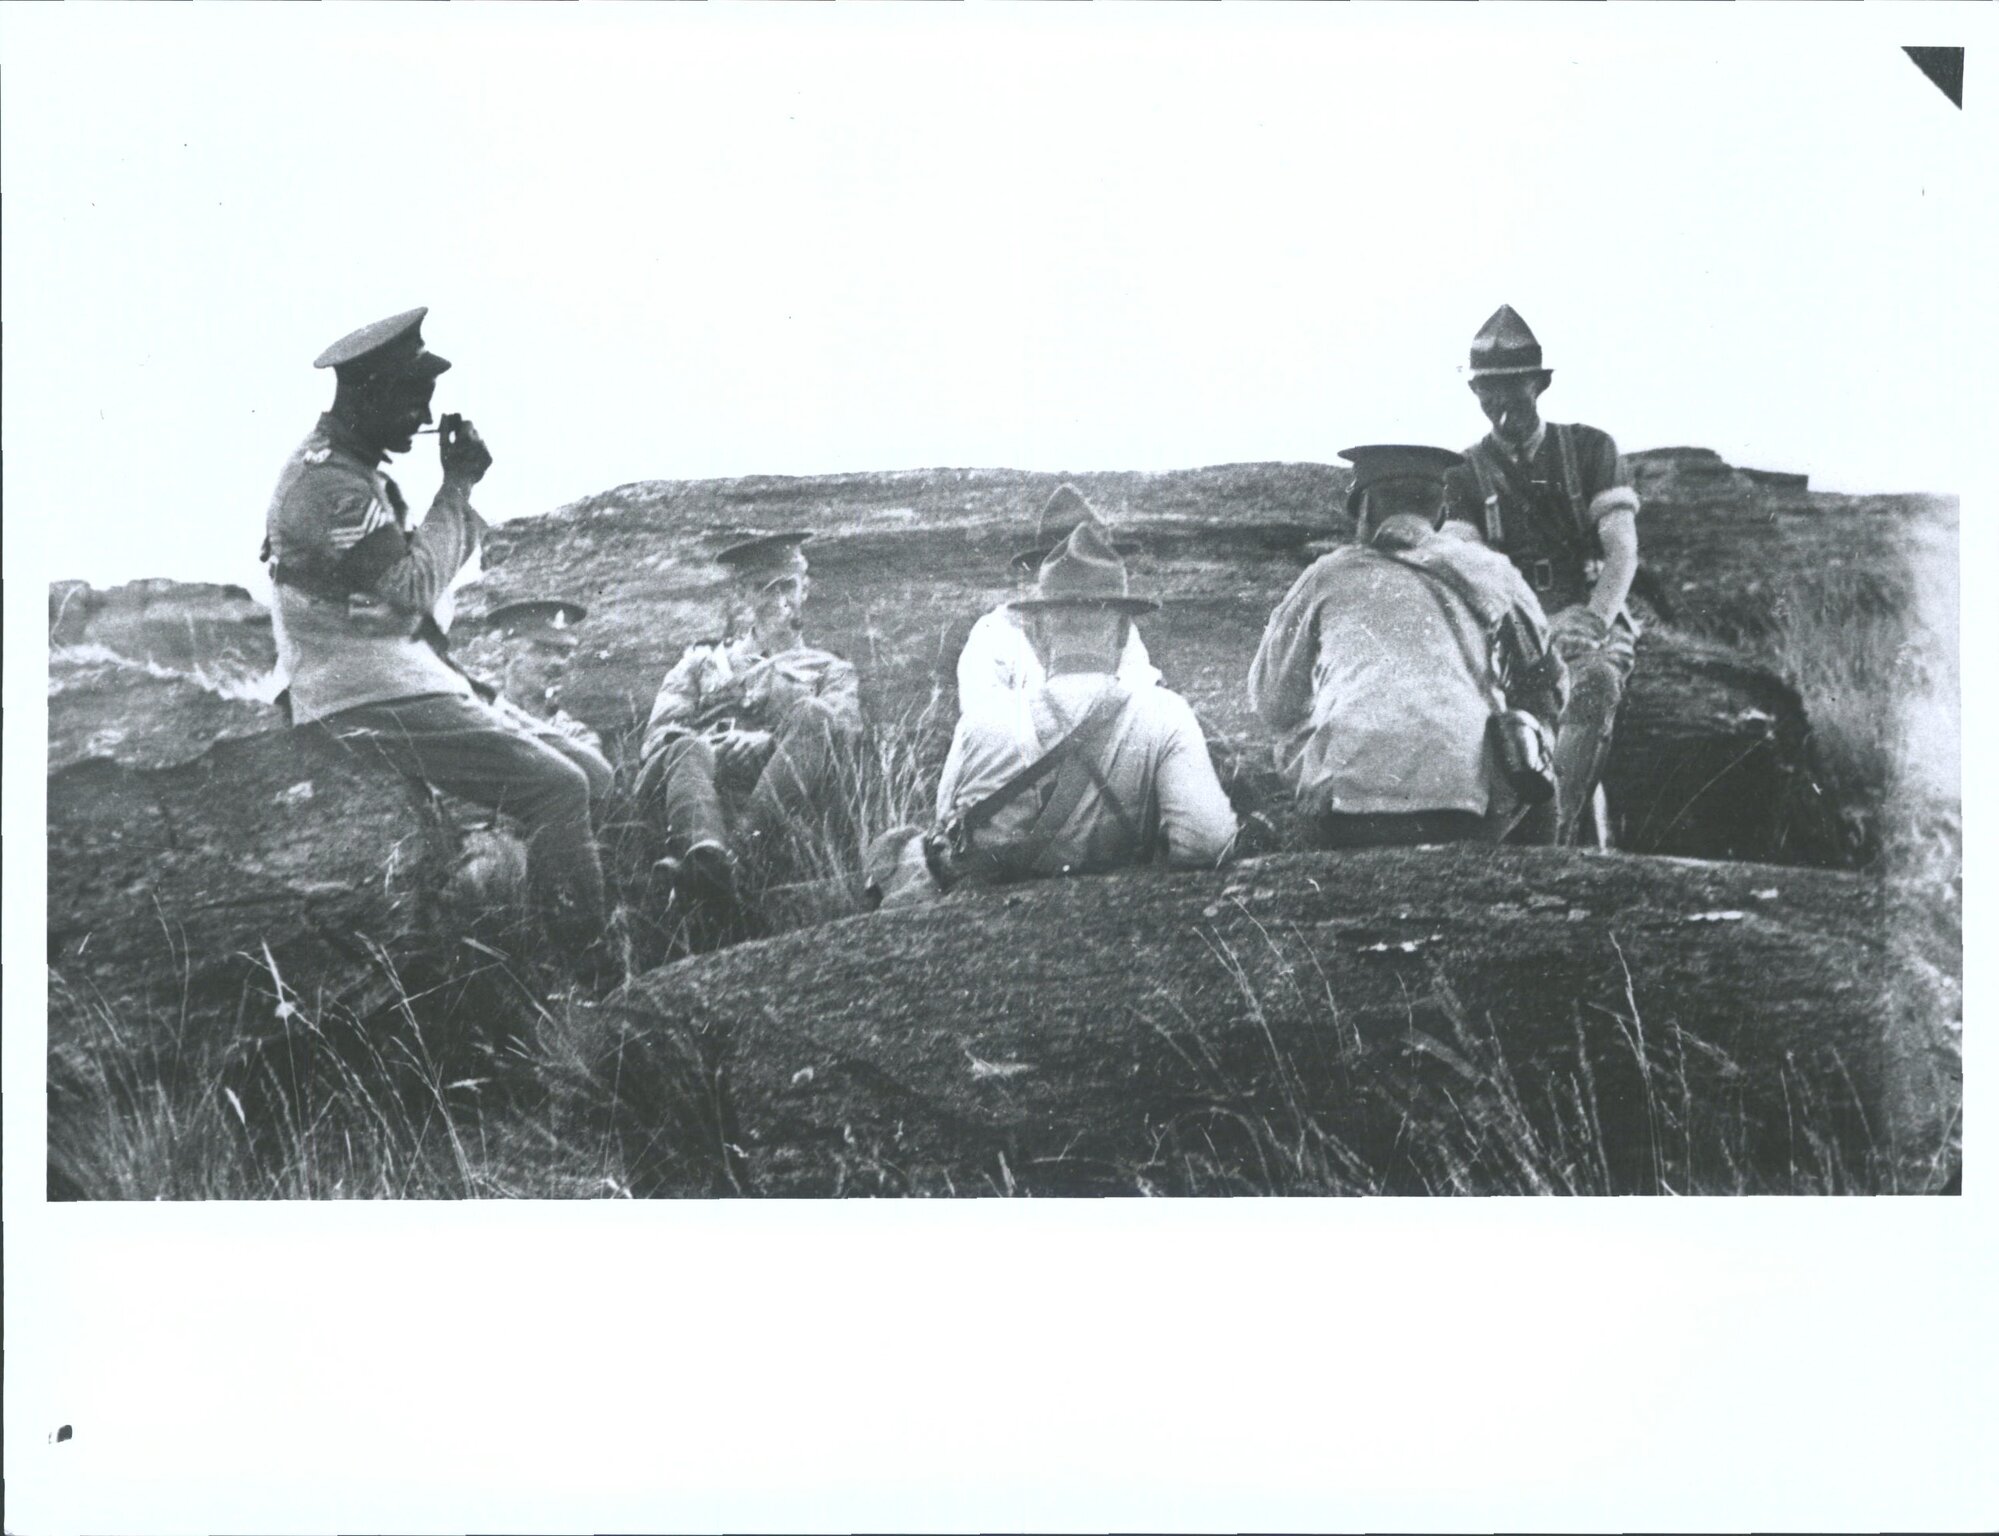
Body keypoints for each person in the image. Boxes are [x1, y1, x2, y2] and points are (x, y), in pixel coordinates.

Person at [261, 308, 612, 957]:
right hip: (356, 691)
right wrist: (458, 484)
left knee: (591, 771)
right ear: (367, 395)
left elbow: (400, 601)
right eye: (410, 403)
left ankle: (541, 921)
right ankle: (587, 968)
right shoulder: (327, 486)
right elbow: (414, 588)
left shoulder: (356, 472)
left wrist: (403, 592)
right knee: (557, 787)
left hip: (401, 672)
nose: (422, 422)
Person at [1248, 444, 1566, 850]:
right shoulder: (1494, 572)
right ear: (1440, 512)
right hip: (1466, 811)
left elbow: (1271, 701)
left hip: (1349, 815)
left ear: (1364, 510)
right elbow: (1549, 679)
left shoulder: (1325, 576)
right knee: (1540, 770)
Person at [933, 523, 1237, 883]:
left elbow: (947, 832)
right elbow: (1207, 843)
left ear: (1037, 633)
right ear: (1124, 632)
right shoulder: (1165, 714)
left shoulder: (979, 722)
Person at [1443, 305, 1642, 843]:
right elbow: (1467, 564)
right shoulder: (1463, 473)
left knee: (1594, 681)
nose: (1500, 400)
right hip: (1514, 627)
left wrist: (1595, 622)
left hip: (1587, 618)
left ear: (1539, 384)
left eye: (1513, 385)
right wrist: (1530, 629)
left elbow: (1621, 552)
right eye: (1487, 388)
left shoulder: (1590, 449)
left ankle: (1556, 833)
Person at [635, 532, 862, 901]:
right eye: (762, 587)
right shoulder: (699, 662)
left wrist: (768, 742)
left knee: (815, 712)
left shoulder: (830, 668)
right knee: (685, 748)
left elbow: (844, 730)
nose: (778, 599)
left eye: (787, 586)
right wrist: (711, 745)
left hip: (780, 772)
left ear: (806, 589)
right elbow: (660, 733)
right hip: (698, 770)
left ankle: (734, 857)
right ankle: (705, 849)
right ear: (743, 595)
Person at [955, 483, 1158, 721]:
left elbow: (1140, 693)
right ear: (1042, 569)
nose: (1083, 573)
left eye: (1094, 561)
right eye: (1067, 563)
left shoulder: (1120, 628)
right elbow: (982, 719)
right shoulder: (994, 633)